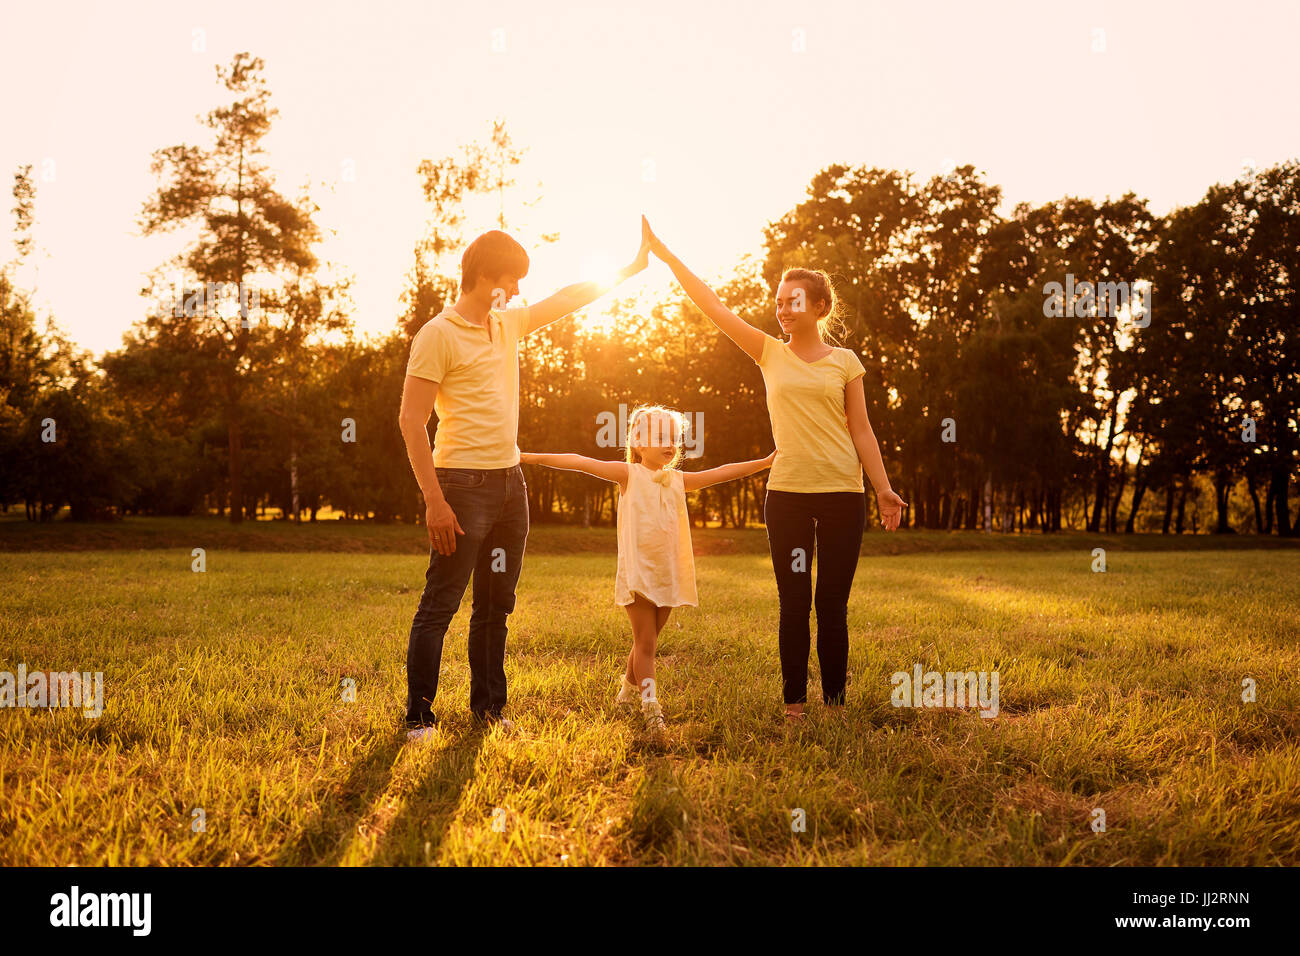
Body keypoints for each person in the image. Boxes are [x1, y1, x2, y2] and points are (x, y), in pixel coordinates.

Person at [643, 217, 905, 721]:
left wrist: (884, 489)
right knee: (793, 604)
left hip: (842, 496)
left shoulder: (845, 361)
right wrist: (669, 256)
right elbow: (713, 306)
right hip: (785, 494)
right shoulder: (768, 353)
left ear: (819, 307)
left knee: (831, 604)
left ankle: (832, 705)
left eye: (794, 300)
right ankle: (794, 705)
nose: (783, 308)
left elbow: (862, 430)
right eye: (779, 301)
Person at [398, 224, 650, 740]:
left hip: (511, 486)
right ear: (485, 276)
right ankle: (418, 718)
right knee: (440, 605)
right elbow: (410, 420)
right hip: (461, 486)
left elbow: (568, 298)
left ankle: (489, 710)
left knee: (495, 608)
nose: (517, 292)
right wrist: (435, 501)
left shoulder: (505, 326)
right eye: (511, 281)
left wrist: (629, 268)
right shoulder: (437, 334)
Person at [521, 404, 775, 737]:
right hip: (638, 574)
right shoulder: (629, 475)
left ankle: (626, 692)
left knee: (648, 640)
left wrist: (765, 462)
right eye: (660, 437)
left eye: (674, 437)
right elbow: (580, 462)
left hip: (668, 574)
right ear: (638, 443)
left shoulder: (679, 481)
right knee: (646, 644)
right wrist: (528, 457)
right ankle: (651, 707)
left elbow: (725, 473)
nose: (669, 444)